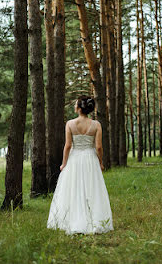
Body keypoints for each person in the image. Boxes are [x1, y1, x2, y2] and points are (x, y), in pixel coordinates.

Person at [47, 95, 113, 235]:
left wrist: (64, 164)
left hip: (75, 159)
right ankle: (94, 221)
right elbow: (99, 147)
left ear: (78, 107)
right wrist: (100, 162)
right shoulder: (96, 125)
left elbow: (68, 146)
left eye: (75, 104)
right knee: (92, 189)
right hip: (90, 159)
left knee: (74, 189)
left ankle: (74, 221)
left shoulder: (70, 124)